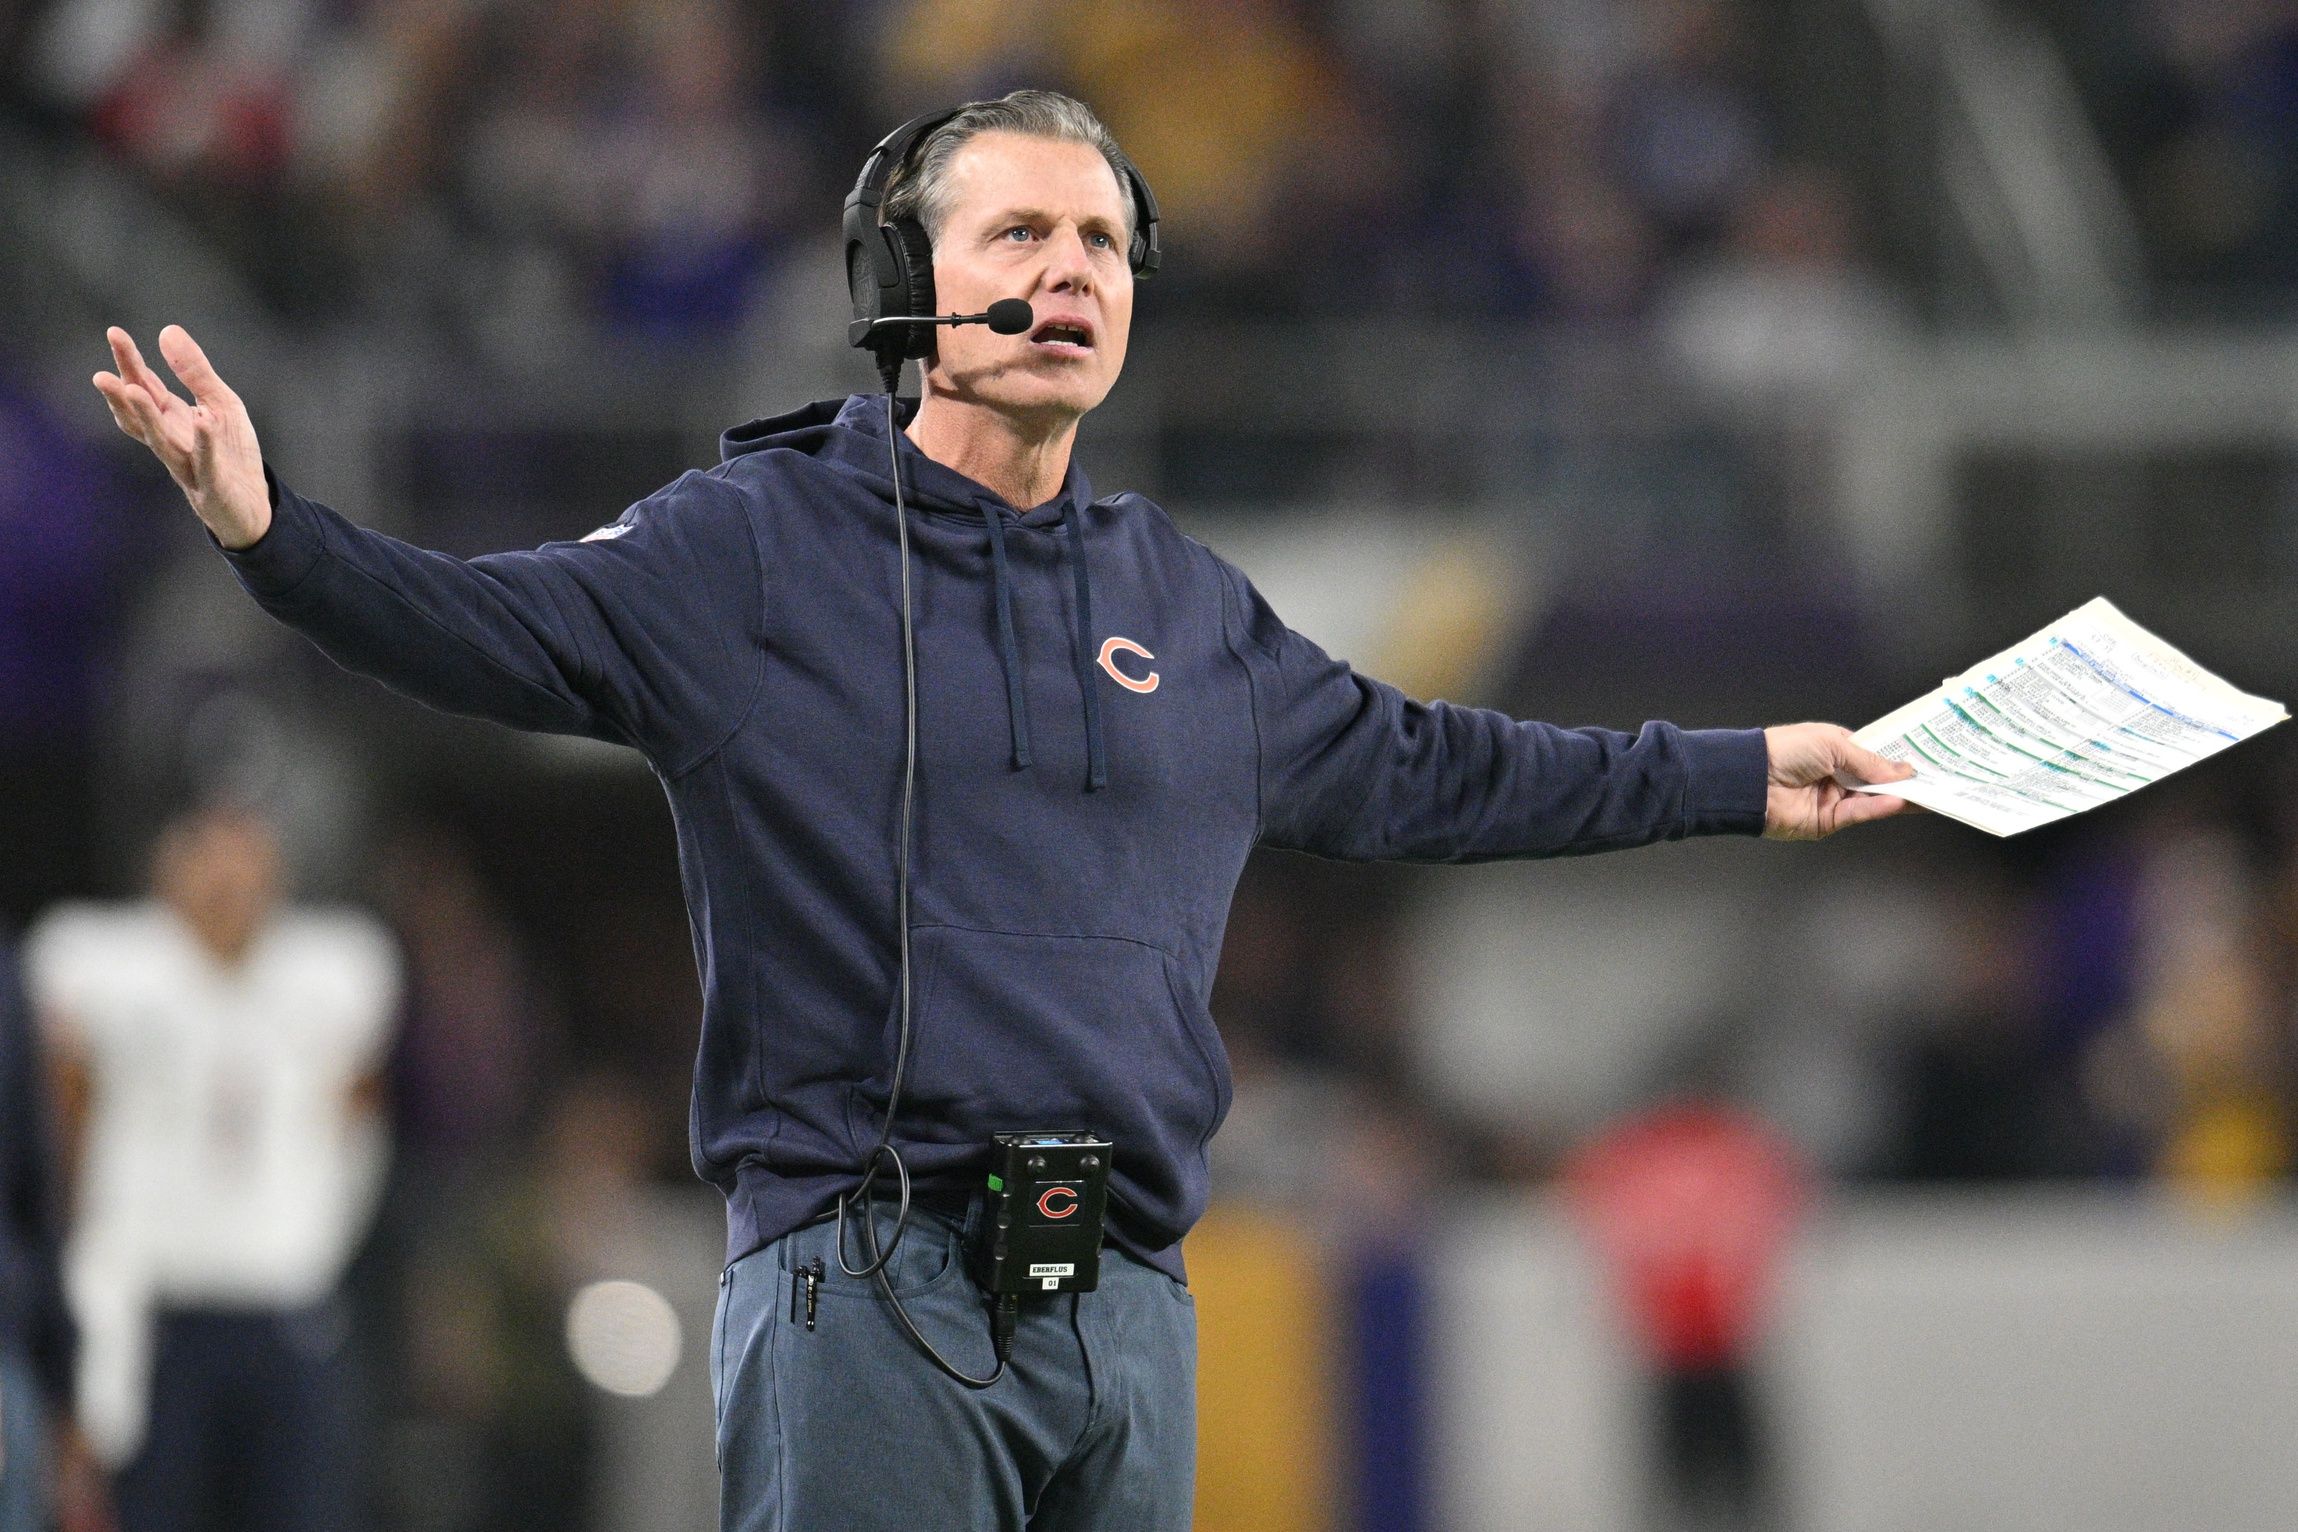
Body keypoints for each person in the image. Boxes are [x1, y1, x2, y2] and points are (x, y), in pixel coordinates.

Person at [90, 89, 1912, 1532]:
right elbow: (483, 629)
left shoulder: (1188, 604)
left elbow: (1452, 767)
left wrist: (1741, 770)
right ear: (902, 278)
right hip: (864, 1289)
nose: (1072, 269)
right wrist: (273, 534)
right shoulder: (750, 550)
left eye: (1105, 239)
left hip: (1124, 1298)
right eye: (1021, 228)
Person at [23, 805, 399, 1532]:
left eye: (246, 866)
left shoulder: (336, 970)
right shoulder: (101, 965)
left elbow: (361, 1121)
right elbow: (57, 1128)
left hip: (287, 1307)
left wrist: (321, 1231)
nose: (229, 886)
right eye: (210, 865)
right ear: (168, 872)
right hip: (150, 1309)